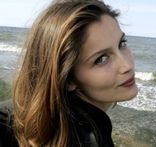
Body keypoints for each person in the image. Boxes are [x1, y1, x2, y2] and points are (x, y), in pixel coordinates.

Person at [0, 0, 138, 146]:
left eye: (122, 44)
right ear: (68, 79)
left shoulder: (28, 116)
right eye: (101, 59)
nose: (127, 65)